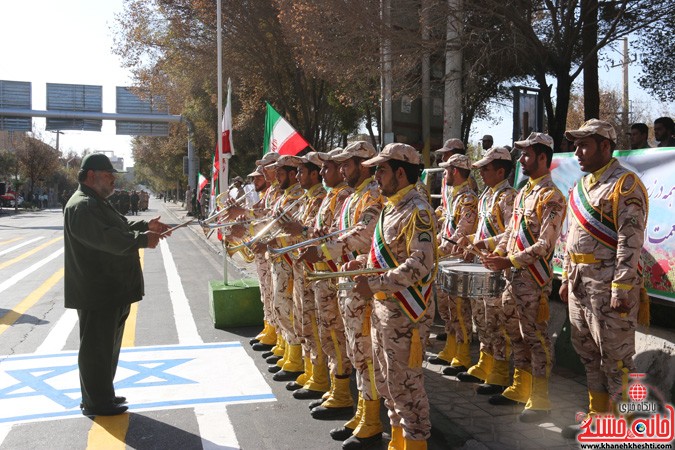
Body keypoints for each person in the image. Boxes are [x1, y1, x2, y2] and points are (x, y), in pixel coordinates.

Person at [559, 119, 649, 438]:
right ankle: (599, 417)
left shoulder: (625, 184)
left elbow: (630, 239)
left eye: (585, 145)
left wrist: (622, 286)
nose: (577, 152)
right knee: (588, 354)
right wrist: (567, 278)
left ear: (605, 147)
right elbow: (573, 238)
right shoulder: (582, 187)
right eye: (576, 145)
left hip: (611, 287)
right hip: (581, 285)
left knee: (616, 359)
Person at [63, 153, 171, 416]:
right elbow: (107, 239)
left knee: (107, 347)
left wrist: (147, 225)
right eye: (108, 175)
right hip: (98, 290)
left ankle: (102, 394)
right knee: (96, 349)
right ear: (91, 175)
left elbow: (120, 226)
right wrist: (142, 240)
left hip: (111, 288)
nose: (112, 180)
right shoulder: (82, 206)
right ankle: (96, 402)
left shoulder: (95, 202)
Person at [297, 141, 384, 448]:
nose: (342, 170)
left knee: (366, 352)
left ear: (364, 164)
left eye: (347, 165)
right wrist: (323, 237)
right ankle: (361, 410)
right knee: (355, 349)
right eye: (342, 165)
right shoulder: (354, 196)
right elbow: (341, 231)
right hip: (349, 282)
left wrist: (323, 247)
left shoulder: (373, 194)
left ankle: (372, 418)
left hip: (365, 284)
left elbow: (362, 233)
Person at [350, 143, 437, 449]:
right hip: (384, 310)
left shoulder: (419, 211)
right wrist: (360, 264)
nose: (376, 177)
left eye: (381, 170)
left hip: (407, 314)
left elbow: (420, 264)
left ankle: (414, 444)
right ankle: (397, 442)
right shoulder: (391, 209)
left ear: (401, 173)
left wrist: (373, 285)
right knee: (388, 384)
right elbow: (384, 257)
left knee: (408, 388)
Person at [482, 132, 566, 423]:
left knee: (536, 337)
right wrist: (493, 247)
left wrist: (510, 259)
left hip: (533, 279)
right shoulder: (524, 192)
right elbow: (511, 232)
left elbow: (545, 244)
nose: (521, 159)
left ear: (543, 158)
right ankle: (521, 387)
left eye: (527, 155)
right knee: (513, 332)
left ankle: (540, 398)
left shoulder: (552, 197)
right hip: (511, 276)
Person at [455, 147, 517, 396]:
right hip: (482, 266)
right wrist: (469, 239)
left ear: (501, 171)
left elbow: (511, 233)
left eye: (486, 169)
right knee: (480, 318)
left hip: (497, 267)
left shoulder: (509, 196)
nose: (481, 173)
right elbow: (483, 232)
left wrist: (485, 244)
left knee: (496, 320)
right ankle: (486, 362)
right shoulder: (487, 196)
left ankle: (500, 371)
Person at [428, 154, 478, 374]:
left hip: (456, 259)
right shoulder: (454, 196)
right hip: (444, 259)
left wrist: (438, 251)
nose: (444, 175)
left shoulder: (468, 198)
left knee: (459, 308)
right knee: (447, 307)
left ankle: (464, 352)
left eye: (446, 171)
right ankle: (450, 346)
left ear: (455, 171)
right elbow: (445, 228)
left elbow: (461, 233)